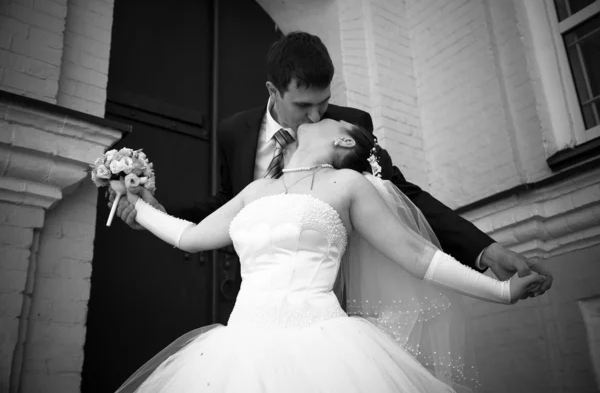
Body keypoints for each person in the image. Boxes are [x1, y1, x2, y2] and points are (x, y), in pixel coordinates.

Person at [114, 118, 546, 392]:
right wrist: (141, 204)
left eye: (331, 118)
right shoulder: (255, 190)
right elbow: (190, 237)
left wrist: (502, 291)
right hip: (237, 350)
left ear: (342, 139)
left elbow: (417, 254)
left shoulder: (347, 186)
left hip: (324, 349)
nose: (316, 116)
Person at [109, 31, 552, 293]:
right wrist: (160, 214)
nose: (318, 115)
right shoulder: (233, 132)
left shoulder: (350, 127)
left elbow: (403, 193)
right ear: (272, 91)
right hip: (261, 298)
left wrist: (484, 248)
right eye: (304, 105)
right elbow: (228, 204)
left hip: (343, 291)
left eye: (325, 102)